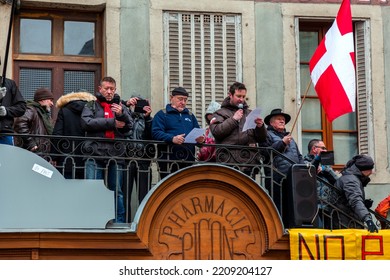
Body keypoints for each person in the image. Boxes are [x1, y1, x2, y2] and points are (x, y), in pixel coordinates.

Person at [81, 76, 133, 223]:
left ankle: (119, 222)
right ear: (100, 89)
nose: (109, 92)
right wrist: (112, 122)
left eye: (112, 89)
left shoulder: (121, 106)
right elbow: (86, 123)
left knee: (117, 191)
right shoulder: (91, 105)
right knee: (92, 189)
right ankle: (92, 220)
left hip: (116, 154)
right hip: (94, 152)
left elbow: (130, 126)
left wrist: (122, 115)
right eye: (106, 89)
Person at [209, 82, 266, 177]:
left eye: (243, 97)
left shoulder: (249, 113)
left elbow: (261, 138)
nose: (241, 100)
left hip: (249, 164)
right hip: (228, 162)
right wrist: (233, 119)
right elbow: (217, 132)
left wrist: (260, 127)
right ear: (230, 95)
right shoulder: (219, 113)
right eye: (238, 96)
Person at [258, 108, 304, 216]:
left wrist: (304, 170)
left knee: (292, 209)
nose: (282, 121)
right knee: (279, 209)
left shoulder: (290, 138)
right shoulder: (266, 135)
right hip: (276, 178)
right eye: (279, 119)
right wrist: (282, 143)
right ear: (271, 122)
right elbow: (265, 153)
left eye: (283, 119)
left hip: (293, 178)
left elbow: (299, 156)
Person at [152, 86, 204, 179]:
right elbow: (155, 133)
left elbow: (197, 132)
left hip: (188, 159)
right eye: (180, 99)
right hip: (168, 160)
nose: (183, 102)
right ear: (171, 98)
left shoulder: (190, 115)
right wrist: (172, 139)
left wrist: (200, 140)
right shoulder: (162, 114)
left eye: (185, 100)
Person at [123, 96, 154, 222]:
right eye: (136, 102)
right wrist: (127, 107)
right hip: (126, 159)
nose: (138, 106)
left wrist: (147, 118)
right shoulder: (125, 115)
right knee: (125, 194)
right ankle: (125, 222)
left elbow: (151, 136)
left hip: (143, 160)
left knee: (144, 194)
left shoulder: (147, 120)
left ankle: (142, 223)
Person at [51, 90, 96, 179]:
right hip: (88, 159)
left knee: (67, 190)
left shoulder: (64, 110)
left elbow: (57, 134)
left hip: (67, 159)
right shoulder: (93, 110)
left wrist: (54, 157)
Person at [331, 154, 378, 232]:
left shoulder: (352, 177)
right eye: (370, 169)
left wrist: (363, 204)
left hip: (347, 220)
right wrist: (368, 220)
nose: (372, 172)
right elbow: (355, 200)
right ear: (364, 169)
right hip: (345, 223)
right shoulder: (351, 180)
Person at [303, 139, 339, 228]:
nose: (325, 151)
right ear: (314, 149)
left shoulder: (326, 165)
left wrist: (324, 169)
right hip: (315, 205)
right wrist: (317, 161)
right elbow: (310, 171)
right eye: (323, 148)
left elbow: (336, 180)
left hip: (328, 205)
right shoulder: (304, 162)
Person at [13, 88, 54, 153]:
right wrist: (31, 144)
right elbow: (20, 125)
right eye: (50, 100)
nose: (52, 104)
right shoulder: (30, 109)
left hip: (41, 153)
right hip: (32, 153)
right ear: (42, 99)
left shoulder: (44, 114)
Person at [0, 60, 27, 145]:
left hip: (4, 132)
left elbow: (21, 107)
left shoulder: (9, 84)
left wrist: (7, 111)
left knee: (7, 158)